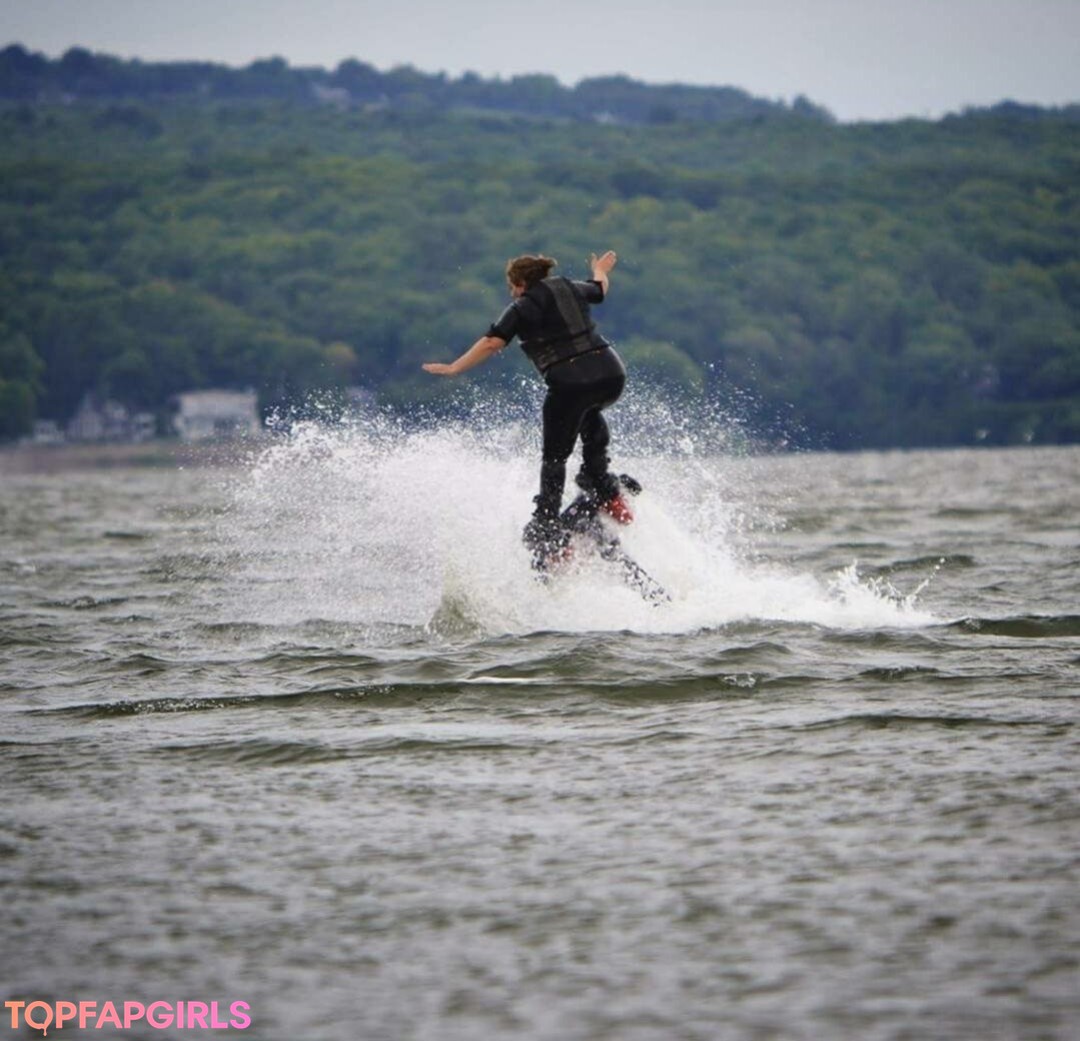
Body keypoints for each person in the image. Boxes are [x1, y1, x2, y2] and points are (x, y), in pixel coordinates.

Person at [423, 250, 633, 566]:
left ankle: (548, 528)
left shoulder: (523, 306)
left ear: (521, 283)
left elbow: (492, 342)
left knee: (555, 458)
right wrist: (600, 269)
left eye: (512, 287)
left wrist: (454, 367)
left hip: (570, 382)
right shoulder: (570, 287)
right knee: (589, 415)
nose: (512, 293)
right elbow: (599, 289)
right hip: (611, 376)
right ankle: (604, 490)